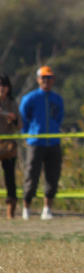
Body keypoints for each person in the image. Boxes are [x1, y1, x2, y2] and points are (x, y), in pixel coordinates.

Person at [19, 66, 64, 221]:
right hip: (36, 142)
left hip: (53, 142)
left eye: (49, 77)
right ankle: (26, 208)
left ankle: (47, 209)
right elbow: (23, 119)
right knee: (31, 175)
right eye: (43, 77)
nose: (46, 81)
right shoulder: (29, 98)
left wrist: (53, 130)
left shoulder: (57, 99)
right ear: (38, 79)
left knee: (53, 176)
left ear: (53, 80)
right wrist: (26, 135)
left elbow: (59, 118)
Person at [0, 74, 21, 219]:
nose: (1, 88)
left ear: (8, 88)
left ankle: (10, 209)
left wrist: (13, 120)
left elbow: (20, 125)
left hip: (8, 145)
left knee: (9, 177)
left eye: (4, 85)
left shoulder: (12, 103)